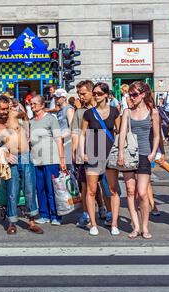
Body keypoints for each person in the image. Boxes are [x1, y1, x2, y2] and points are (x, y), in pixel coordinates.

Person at [0, 95, 43, 235]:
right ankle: (12, 223)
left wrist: (28, 134)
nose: (6, 112)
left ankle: (32, 221)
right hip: (11, 159)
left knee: (29, 188)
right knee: (12, 192)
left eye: (7, 108)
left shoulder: (14, 114)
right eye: (2, 109)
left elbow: (25, 116)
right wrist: (4, 153)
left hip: (25, 155)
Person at [117, 81, 160, 239]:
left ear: (142, 95)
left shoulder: (152, 112)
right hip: (129, 154)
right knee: (130, 191)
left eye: (134, 94)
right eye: (130, 94)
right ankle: (135, 226)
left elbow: (156, 135)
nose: (131, 97)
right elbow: (122, 133)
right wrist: (120, 152)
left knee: (142, 193)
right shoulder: (127, 112)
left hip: (144, 154)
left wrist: (154, 152)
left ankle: (145, 226)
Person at [80, 82, 121, 236]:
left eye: (99, 93)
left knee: (112, 190)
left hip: (110, 152)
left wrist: (120, 153)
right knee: (92, 190)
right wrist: (82, 152)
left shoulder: (114, 112)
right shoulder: (88, 113)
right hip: (93, 152)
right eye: (94, 93)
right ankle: (93, 224)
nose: (96, 96)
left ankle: (114, 223)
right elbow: (83, 133)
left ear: (106, 95)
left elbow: (119, 132)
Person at [72, 80, 112, 228]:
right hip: (87, 151)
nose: (81, 96)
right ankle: (87, 215)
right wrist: (76, 153)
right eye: (79, 94)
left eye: (83, 93)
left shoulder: (105, 109)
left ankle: (108, 213)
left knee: (106, 185)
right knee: (86, 186)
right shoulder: (80, 112)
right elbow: (76, 133)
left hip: (104, 147)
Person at [30, 95, 66, 225]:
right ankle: (44, 214)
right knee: (40, 188)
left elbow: (58, 139)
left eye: (34, 103)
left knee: (52, 189)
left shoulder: (51, 119)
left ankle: (56, 215)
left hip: (51, 160)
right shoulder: (31, 121)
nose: (32, 106)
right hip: (36, 160)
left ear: (41, 105)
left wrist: (62, 160)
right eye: (30, 104)